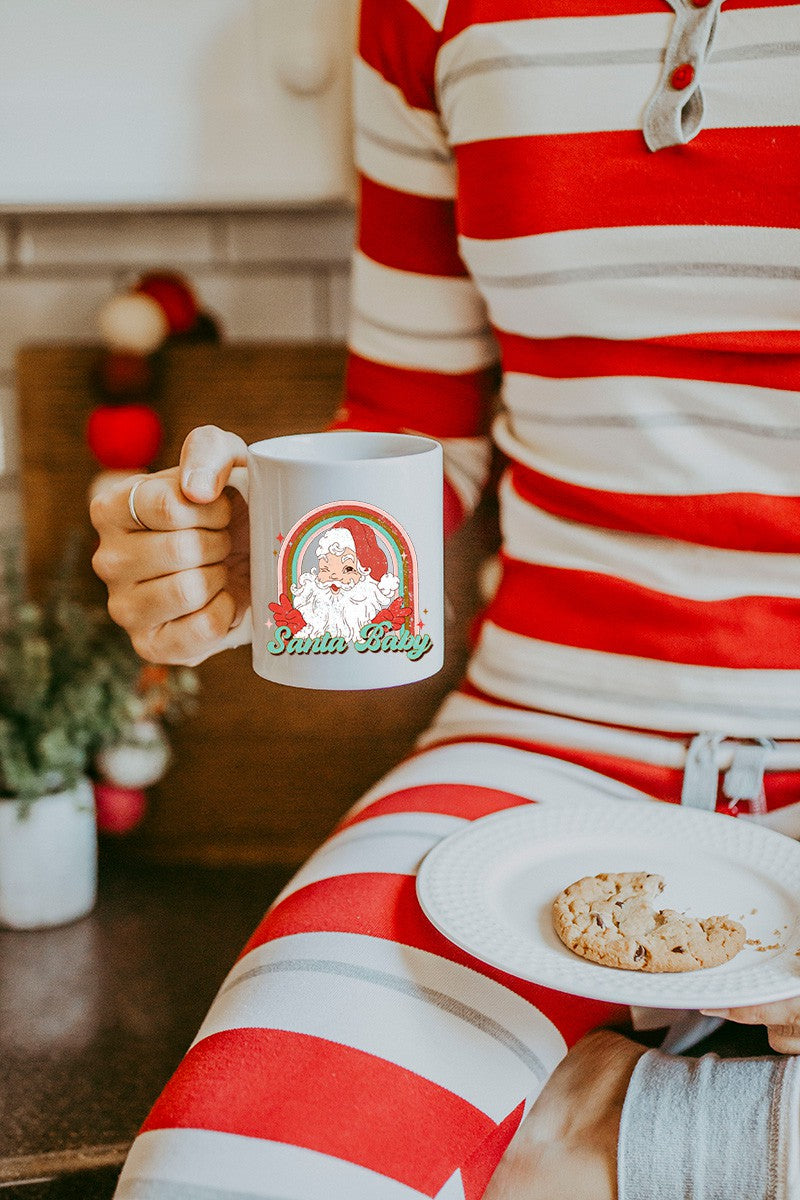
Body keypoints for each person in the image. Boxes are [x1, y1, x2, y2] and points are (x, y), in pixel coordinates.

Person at [90, 0, 800, 1196]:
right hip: (538, 739)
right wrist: (276, 555)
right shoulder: (420, 12)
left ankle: (595, 1130)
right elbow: (413, 422)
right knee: (213, 1175)